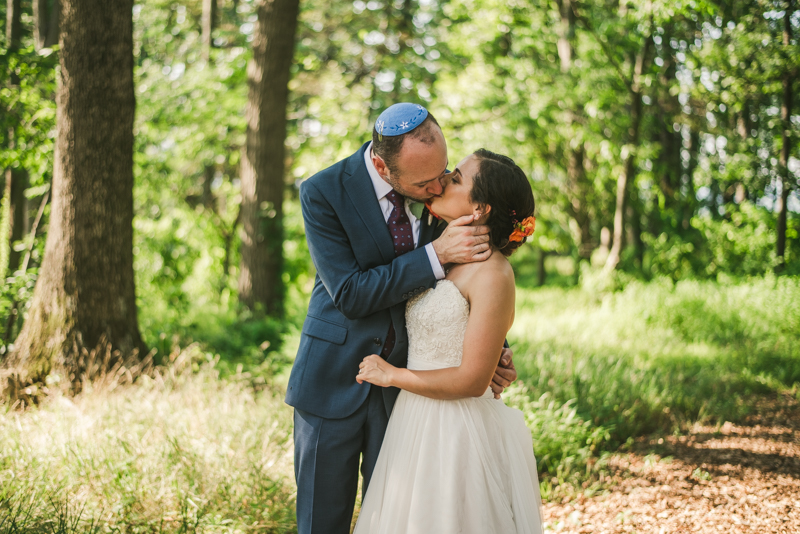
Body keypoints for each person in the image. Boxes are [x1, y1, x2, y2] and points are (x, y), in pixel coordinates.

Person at [286, 104, 519, 534]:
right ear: (381, 164)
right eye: (423, 183)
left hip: (409, 397)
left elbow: (467, 289)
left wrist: (493, 352)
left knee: (397, 521)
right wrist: (436, 254)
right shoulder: (323, 193)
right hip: (332, 380)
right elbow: (351, 294)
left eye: (443, 173)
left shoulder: (443, 195)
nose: (436, 188)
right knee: (322, 523)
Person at [354, 149, 543, 534]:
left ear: (480, 209)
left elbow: (473, 381)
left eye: (456, 179)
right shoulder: (444, 248)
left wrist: (392, 375)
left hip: (458, 431)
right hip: (414, 422)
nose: (442, 180)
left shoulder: (493, 273)